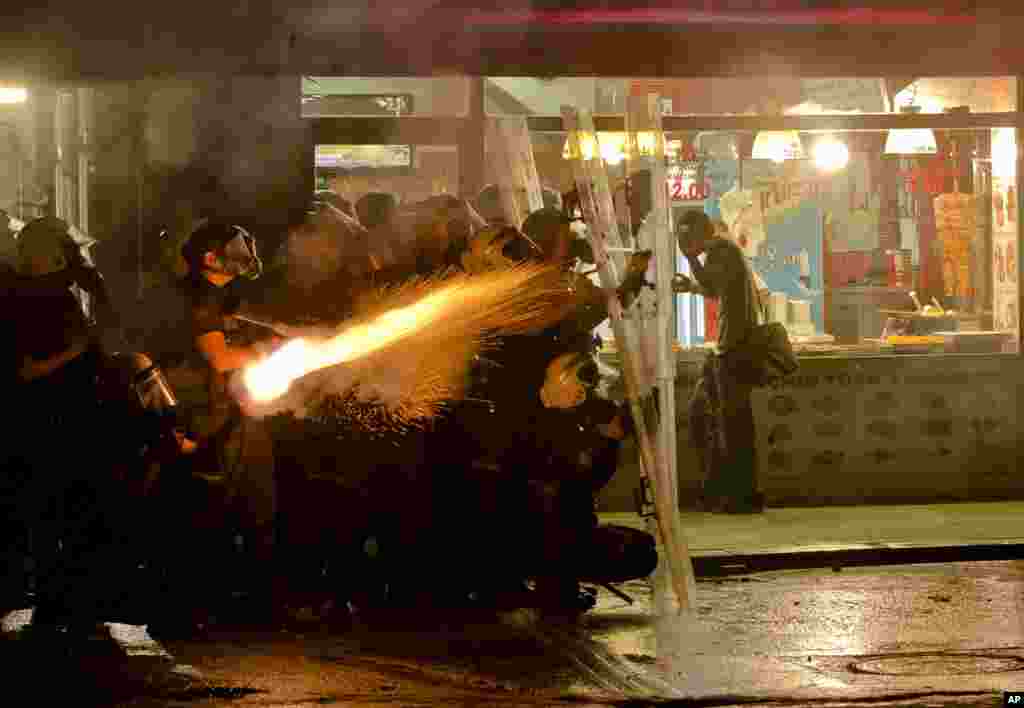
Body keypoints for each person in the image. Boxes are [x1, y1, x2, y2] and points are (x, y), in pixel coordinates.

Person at [6, 217, 126, 633]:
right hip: (43, 419)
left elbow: (109, 337)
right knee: (50, 513)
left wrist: (97, 290)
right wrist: (79, 348)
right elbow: (24, 369)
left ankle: (70, 599)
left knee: (67, 511)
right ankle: (58, 601)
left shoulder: (56, 293)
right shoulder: (23, 296)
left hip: (70, 417)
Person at [176, 221, 288, 627]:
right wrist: (264, 350)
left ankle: (247, 600)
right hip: (213, 418)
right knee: (220, 509)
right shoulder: (201, 297)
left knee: (252, 506)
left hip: (233, 412)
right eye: (238, 243)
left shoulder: (226, 294)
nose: (248, 248)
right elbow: (219, 359)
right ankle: (208, 604)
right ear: (211, 258)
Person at [672, 210, 765, 514]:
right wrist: (692, 285)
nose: (685, 244)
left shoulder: (720, 249)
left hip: (734, 349)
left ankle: (739, 496)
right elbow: (716, 289)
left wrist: (691, 260)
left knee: (731, 424)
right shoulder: (723, 250)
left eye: (687, 239)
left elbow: (711, 285)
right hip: (729, 348)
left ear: (700, 233)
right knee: (718, 419)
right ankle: (731, 493)